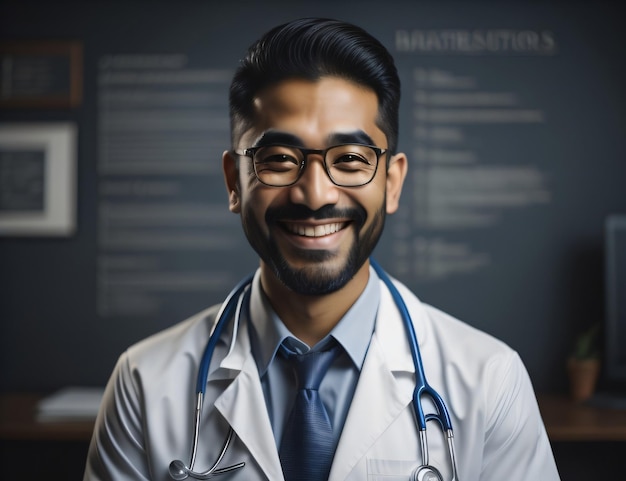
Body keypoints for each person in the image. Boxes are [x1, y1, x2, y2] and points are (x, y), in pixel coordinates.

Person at [84, 18, 560, 481]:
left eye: (351, 159)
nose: (315, 195)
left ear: (392, 183)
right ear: (234, 182)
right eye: (278, 159)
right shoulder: (144, 383)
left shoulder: (489, 381)